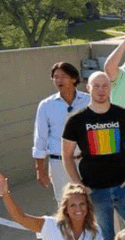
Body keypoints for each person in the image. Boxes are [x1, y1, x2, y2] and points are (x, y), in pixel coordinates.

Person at [61, 72, 125, 240]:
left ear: (110, 88)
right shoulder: (76, 120)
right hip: (95, 192)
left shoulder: (124, 114)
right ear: (88, 88)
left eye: (105, 86)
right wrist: (79, 185)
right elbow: (66, 156)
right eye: (96, 86)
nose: (101, 90)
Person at [33, 62, 90, 203]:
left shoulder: (89, 100)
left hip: (87, 161)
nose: (59, 80)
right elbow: (40, 138)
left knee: (93, 202)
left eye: (63, 76)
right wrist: (40, 168)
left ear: (74, 78)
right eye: (55, 77)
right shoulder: (46, 105)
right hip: (59, 164)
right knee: (65, 204)